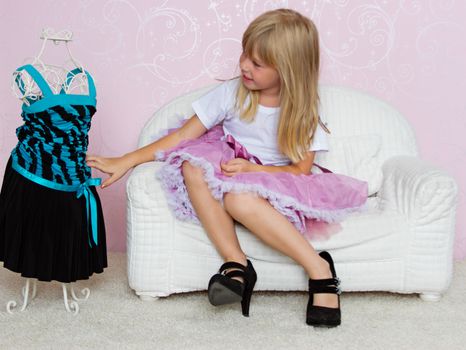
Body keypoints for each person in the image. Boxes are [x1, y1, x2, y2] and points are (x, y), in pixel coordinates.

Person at [87, 8, 367, 327]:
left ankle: (320, 271)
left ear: (287, 70)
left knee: (237, 199)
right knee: (192, 164)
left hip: (274, 182)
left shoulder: (301, 109)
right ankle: (237, 265)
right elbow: (181, 137)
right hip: (230, 171)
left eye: (257, 63)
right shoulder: (233, 93)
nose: (244, 65)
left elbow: (300, 171)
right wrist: (127, 159)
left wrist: (254, 170)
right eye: (245, 55)